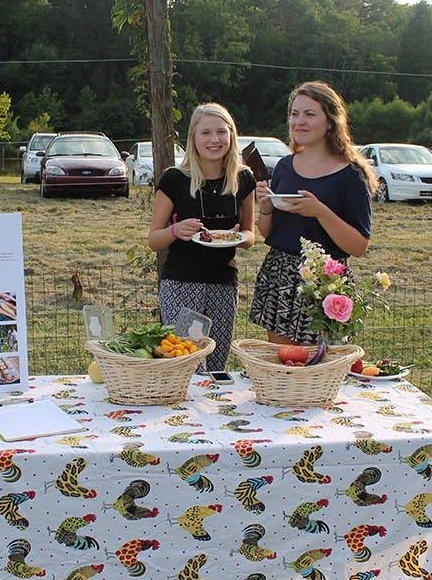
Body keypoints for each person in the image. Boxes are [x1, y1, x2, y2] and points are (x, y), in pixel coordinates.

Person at [249, 81, 378, 345]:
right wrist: (265, 207)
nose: (299, 121)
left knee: (321, 371)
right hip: (281, 277)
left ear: (331, 121)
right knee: (282, 367)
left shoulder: (351, 175)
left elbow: (359, 246)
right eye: (294, 114)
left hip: (325, 283)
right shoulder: (285, 167)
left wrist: (320, 211)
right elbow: (268, 233)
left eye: (310, 114)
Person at [147, 103, 257, 371]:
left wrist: (237, 238)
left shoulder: (243, 179)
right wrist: (175, 231)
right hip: (182, 283)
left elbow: (251, 235)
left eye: (221, 132)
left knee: (217, 365)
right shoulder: (174, 179)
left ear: (231, 136)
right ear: (193, 138)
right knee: (188, 362)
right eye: (206, 133)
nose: (214, 139)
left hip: (223, 283)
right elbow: (153, 240)